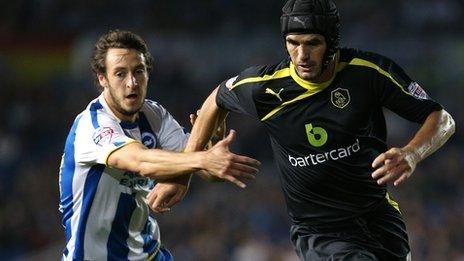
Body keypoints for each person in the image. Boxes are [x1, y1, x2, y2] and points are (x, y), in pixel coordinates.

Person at [152, 0, 456, 260]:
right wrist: (183, 173)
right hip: (320, 232)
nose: (301, 55)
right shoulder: (265, 87)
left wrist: (412, 154)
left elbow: (441, 119)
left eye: (312, 43)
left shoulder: (368, 73)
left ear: (331, 42)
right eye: (293, 43)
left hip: (380, 218)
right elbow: (215, 100)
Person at [58, 30, 260, 261]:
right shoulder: (92, 125)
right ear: (102, 78)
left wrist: (212, 146)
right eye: (120, 74)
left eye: (139, 71)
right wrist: (203, 158)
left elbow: (208, 172)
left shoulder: (153, 114)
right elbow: (140, 161)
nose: (132, 83)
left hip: (149, 253)